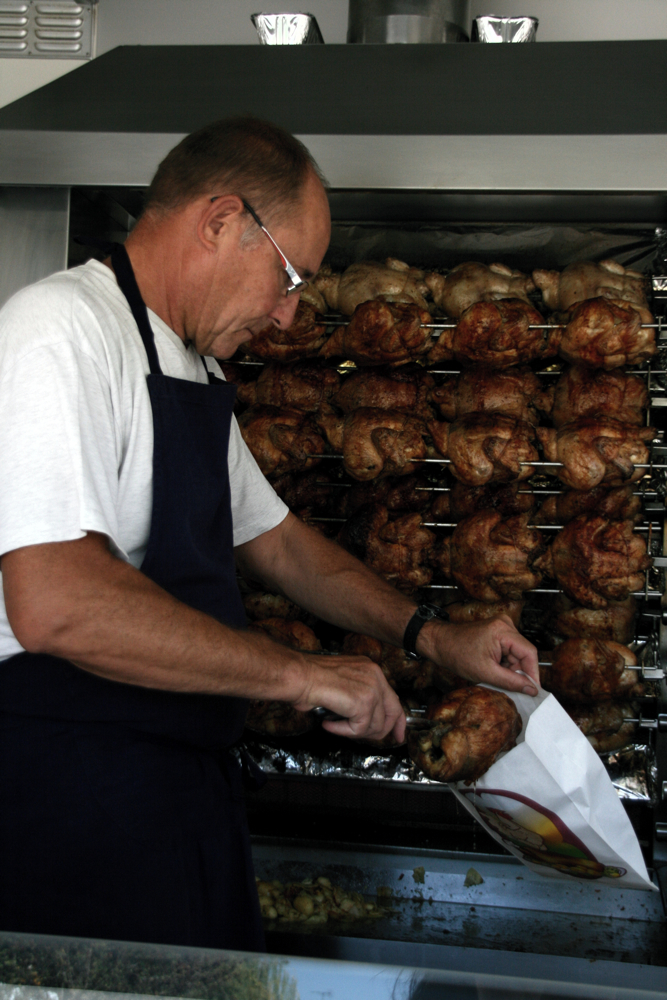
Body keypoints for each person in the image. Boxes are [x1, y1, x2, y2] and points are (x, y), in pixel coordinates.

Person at [0, 117, 538, 952]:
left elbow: (277, 542)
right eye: (289, 278)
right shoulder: (58, 332)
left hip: (176, 787)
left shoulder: (187, 360)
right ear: (220, 222)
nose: (289, 317)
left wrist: (432, 637)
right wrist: (300, 675)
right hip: (72, 797)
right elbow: (57, 604)